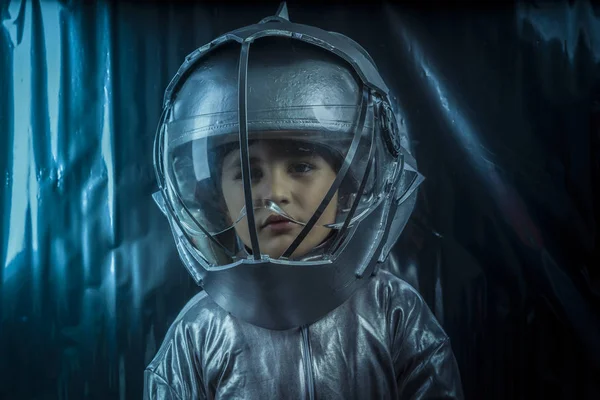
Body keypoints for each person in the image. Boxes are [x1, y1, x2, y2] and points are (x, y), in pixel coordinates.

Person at [145, 4, 463, 399]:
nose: (273, 193)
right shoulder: (198, 333)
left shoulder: (394, 313)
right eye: (247, 173)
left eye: (301, 165)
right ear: (217, 200)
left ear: (347, 188)